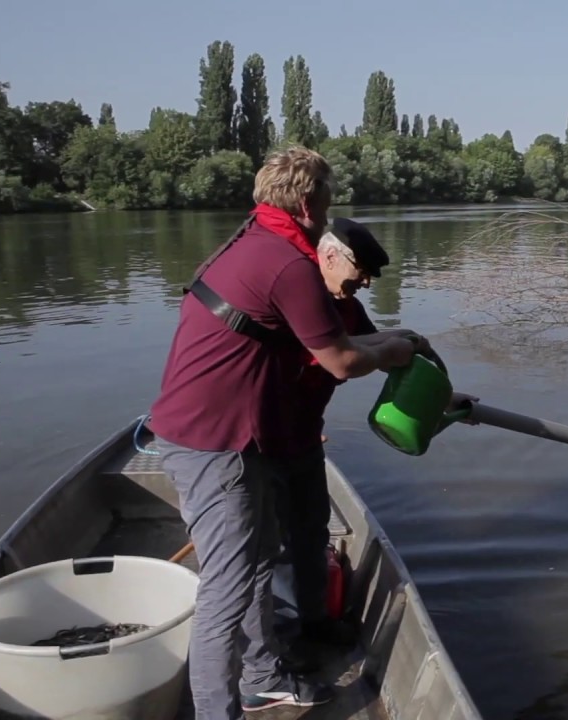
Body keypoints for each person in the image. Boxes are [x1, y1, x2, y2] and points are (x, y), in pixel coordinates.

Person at [147, 146, 427, 719]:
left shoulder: (253, 243)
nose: (329, 210)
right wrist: (395, 348)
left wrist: (405, 349)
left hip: (228, 434)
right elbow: (342, 362)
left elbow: (346, 342)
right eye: (326, 200)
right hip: (216, 443)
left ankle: (264, 675)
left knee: (253, 567)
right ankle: (221, 708)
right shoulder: (288, 266)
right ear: (307, 202)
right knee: (225, 591)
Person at [276, 217, 474, 671]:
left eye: (370, 275)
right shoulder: (296, 294)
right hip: (262, 438)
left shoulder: (345, 306)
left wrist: (444, 396)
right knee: (277, 545)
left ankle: (315, 622)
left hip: (304, 435)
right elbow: (339, 355)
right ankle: (284, 649)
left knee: (310, 533)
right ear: (328, 256)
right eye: (360, 270)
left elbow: (385, 357)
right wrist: (397, 341)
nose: (365, 282)